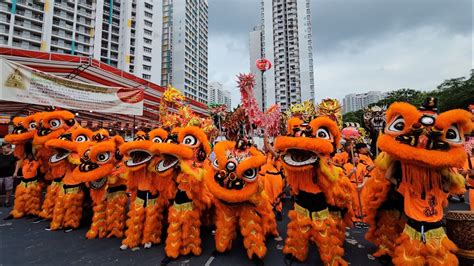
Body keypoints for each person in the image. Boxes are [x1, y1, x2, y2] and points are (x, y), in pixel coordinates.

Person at [0, 143, 20, 207]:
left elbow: (18, 162)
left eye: (4, 148)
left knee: (8, 189)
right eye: (2, 149)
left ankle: (7, 201)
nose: (3, 150)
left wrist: (15, 172)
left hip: (9, 174)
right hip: (0, 175)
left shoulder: (13, 155)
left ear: (9, 148)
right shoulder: (0, 154)